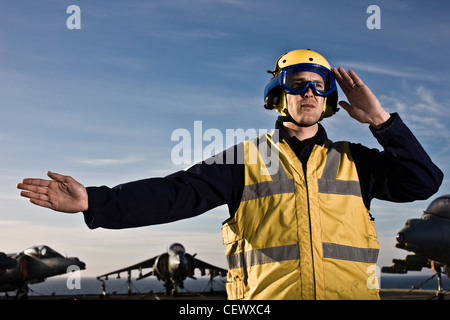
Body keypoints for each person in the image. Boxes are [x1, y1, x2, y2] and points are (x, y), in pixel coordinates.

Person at [17, 49, 443, 300]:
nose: (309, 93)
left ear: (329, 99)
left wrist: (382, 122)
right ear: (279, 94)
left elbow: (423, 182)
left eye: (319, 85)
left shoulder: (358, 161)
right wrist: (95, 200)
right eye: (298, 83)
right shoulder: (244, 160)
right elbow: (174, 194)